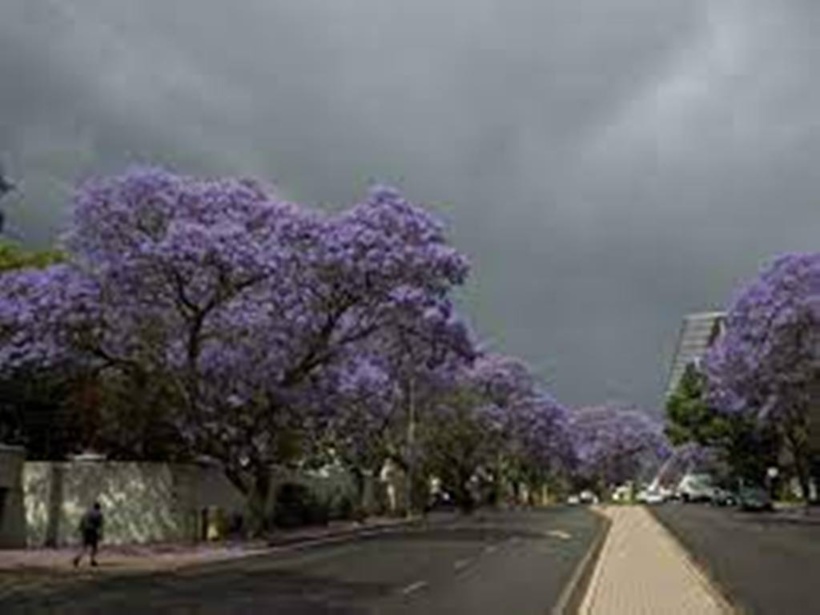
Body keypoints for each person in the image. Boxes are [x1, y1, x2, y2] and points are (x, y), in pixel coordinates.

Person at [73, 502, 104, 567]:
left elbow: (81, 522)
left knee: (84, 546)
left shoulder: (86, 513)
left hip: (85, 531)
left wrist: (79, 529)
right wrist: (100, 534)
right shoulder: (99, 514)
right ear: (99, 508)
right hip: (92, 531)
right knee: (94, 547)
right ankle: (92, 560)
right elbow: (100, 525)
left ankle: (77, 558)